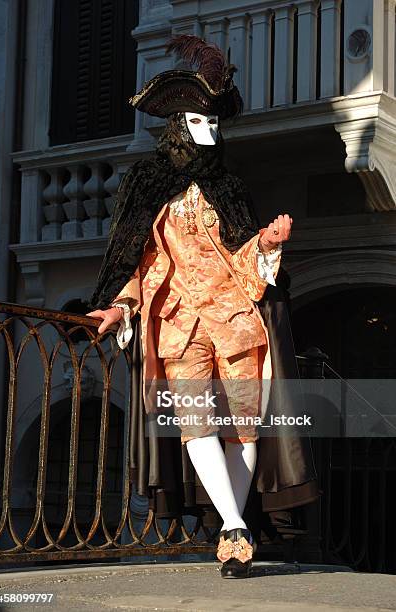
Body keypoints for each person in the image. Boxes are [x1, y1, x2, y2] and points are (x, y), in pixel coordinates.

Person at [87, 34, 320, 578]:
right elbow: (135, 257)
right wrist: (119, 304)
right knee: (196, 424)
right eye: (199, 122)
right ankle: (235, 526)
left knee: (244, 429)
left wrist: (265, 245)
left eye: (216, 124)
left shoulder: (231, 187)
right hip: (179, 325)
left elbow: (243, 259)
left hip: (237, 323)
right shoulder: (147, 182)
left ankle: (231, 533)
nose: (209, 133)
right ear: (177, 124)